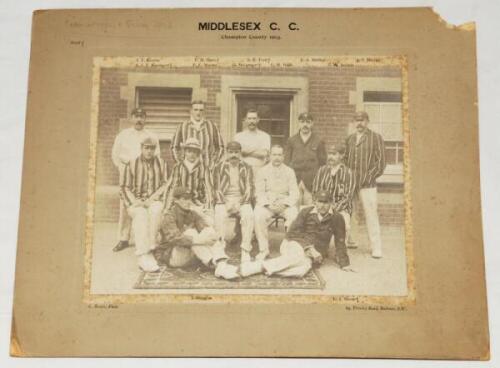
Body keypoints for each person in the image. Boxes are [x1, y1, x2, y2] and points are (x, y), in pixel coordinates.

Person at [240, 190, 355, 277]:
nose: (322, 205)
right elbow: (291, 234)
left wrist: (345, 264)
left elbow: (340, 241)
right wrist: (309, 248)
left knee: (301, 270)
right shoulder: (306, 212)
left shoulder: (337, 217)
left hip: (314, 254)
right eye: (320, 202)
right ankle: (256, 267)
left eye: (326, 202)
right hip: (293, 243)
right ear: (315, 201)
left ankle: (266, 268)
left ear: (331, 203)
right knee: (298, 256)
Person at [155, 187, 239, 280]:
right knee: (191, 233)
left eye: (189, 198)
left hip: (190, 254)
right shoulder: (169, 216)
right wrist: (202, 240)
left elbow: (205, 228)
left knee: (209, 231)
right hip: (172, 256)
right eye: (184, 199)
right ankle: (219, 264)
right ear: (176, 200)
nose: (188, 202)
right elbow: (175, 239)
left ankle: (219, 264)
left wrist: (214, 236)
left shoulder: (192, 213)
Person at [111, 107, 160, 252]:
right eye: (136, 116)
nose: (139, 120)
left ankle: (148, 240)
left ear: (145, 119)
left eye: (141, 117)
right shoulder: (123, 135)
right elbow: (115, 155)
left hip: (145, 176)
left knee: (146, 206)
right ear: (131, 118)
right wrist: (123, 170)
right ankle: (123, 238)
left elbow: (156, 156)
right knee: (125, 206)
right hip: (127, 176)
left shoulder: (151, 136)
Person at [120, 137, 167, 272]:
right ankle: (143, 255)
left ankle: (152, 246)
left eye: (152, 148)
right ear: (141, 148)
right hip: (136, 201)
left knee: (157, 209)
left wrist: (152, 199)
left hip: (153, 200)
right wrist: (135, 202)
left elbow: (165, 184)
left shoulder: (161, 163)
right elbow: (124, 187)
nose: (149, 151)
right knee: (141, 215)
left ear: (155, 149)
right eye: (146, 148)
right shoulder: (132, 163)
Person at [345, 111, 386, 258]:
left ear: (367, 121)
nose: (359, 123)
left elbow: (381, 163)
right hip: (351, 183)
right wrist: (347, 178)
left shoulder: (376, 138)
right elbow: (345, 160)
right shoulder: (350, 139)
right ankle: (352, 241)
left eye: (362, 120)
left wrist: (368, 177)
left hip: (368, 184)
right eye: (357, 120)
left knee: (371, 215)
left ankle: (376, 247)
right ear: (354, 122)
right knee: (350, 213)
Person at [254, 145, 299, 261]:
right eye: (274, 155)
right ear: (269, 156)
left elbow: (294, 192)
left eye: (279, 155)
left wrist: (285, 204)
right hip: (268, 203)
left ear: (283, 157)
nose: (277, 158)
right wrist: (268, 205)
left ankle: (288, 248)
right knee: (258, 215)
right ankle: (263, 250)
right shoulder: (262, 171)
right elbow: (259, 192)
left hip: (284, 203)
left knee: (294, 215)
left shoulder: (289, 171)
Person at [213, 141, 255, 263]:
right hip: (224, 200)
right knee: (220, 215)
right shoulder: (219, 167)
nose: (233, 155)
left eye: (236, 152)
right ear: (227, 153)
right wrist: (226, 203)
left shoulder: (246, 167)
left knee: (248, 215)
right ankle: (220, 248)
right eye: (231, 152)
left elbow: (250, 188)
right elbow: (216, 188)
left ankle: (245, 249)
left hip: (241, 200)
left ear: (240, 153)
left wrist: (239, 204)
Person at [312, 144, 357, 245]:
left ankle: (340, 250)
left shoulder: (348, 173)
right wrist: (322, 206)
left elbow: (348, 196)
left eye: (334, 154)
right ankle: (319, 247)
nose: (330, 157)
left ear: (341, 156)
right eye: (329, 154)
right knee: (312, 222)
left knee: (344, 224)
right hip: (322, 207)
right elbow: (315, 191)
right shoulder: (322, 170)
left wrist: (334, 208)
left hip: (341, 209)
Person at [284, 112, 327, 206]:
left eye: (308, 122)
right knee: (294, 210)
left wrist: (318, 182)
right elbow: (286, 162)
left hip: (312, 182)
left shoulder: (318, 141)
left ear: (312, 124)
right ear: (299, 123)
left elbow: (323, 163)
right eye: (302, 122)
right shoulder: (292, 140)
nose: (305, 125)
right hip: (295, 181)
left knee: (310, 209)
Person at [171, 100, 225, 170]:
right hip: (188, 169)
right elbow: (174, 147)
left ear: (204, 112)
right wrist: (180, 163)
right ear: (191, 111)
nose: (198, 113)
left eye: (201, 110)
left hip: (207, 168)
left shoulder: (211, 126)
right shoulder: (183, 126)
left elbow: (220, 147)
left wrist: (213, 162)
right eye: (195, 110)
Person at [164, 137, 213, 211]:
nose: (192, 154)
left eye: (194, 152)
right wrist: (167, 208)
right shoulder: (178, 167)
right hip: (180, 203)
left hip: (198, 203)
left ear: (198, 153)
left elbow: (209, 189)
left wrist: (208, 207)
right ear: (185, 152)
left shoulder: (204, 168)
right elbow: (171, 187)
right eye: (189, 151)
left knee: (207, 220)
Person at [233, 109, 271, 177]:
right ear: (245, 120)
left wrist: (246, 151)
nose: (252, 121)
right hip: (242, 170)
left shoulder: (265, 136)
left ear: (258, 120)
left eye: (254, 118)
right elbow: (237, 153)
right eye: (249, 118)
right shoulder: (238, 136)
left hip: (259, 170)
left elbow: (264, 154)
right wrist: (256, 150)